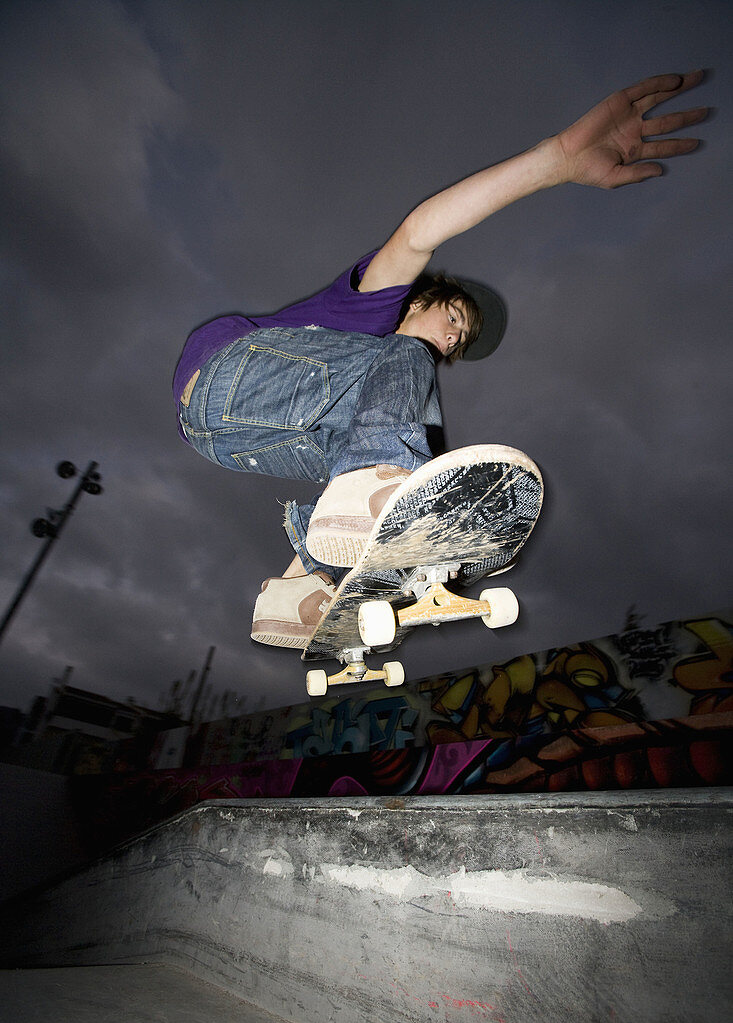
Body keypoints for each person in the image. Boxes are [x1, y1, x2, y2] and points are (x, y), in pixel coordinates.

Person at [173, 71, 707, 648]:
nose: (450, 339)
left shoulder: (373, 389)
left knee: (383, 454)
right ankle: (370, 489)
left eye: (458, 341)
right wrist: (556, 160)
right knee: (403, 412)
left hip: (228, 437)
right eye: (452, 319)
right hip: (234, 376)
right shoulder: (372, 310)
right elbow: (419, 233)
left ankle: (300, 592)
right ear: (420, 298)